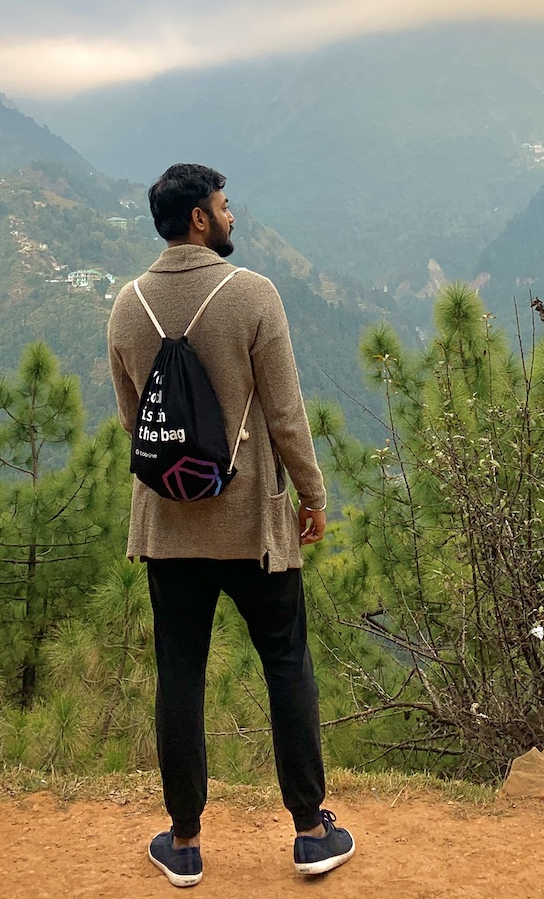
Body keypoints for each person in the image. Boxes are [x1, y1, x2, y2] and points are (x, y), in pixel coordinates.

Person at [108, 162, 356, 887]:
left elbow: (138, 425)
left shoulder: (126, 307)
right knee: (286, 665)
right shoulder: (252, 296)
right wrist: (310, 496)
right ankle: (310, 832)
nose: (232, 215)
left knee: (179, 676)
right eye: (224, 206)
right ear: (198, 220)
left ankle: (183, 843)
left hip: (168, 528)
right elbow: (284, 415)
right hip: (251, 526)